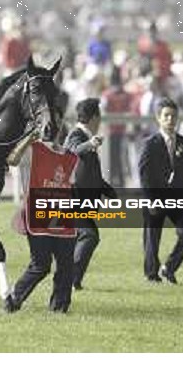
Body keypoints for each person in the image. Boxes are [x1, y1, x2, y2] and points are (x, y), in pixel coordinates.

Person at [5, 122, 77, 314]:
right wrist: (28, 139)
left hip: (62, 215)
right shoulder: (33, 150)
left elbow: (73, 187)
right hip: (39, 214)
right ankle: (13, 299)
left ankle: (59, 308)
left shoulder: (71, 158)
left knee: (66, 265)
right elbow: (11, 160)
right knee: (41, 265)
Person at [138, 97, 183, 284]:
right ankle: (151, 274)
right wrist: (150, 200)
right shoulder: (150, 143)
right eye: (166, 116)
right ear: (158, 118)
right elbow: (144, 175)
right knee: (152, 238)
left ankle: (169, 268)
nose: (170, 120)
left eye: (173, 116)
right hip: (155, 197)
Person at [63, 98, 117, 290]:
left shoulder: (84, 136)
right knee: (89, 236)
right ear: (94, 117)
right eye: (99, 116)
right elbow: (73, 150)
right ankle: (70, 279)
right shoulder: (76, 135)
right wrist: (90, 144)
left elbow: (91, 176)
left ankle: (71, 280)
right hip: (75, 199)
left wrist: (111, 193)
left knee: (82, 238)